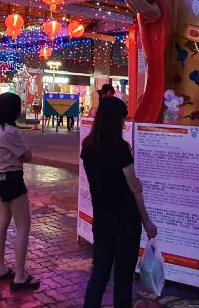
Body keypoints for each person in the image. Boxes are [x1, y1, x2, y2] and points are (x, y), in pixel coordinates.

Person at [81, 96, 157, 308]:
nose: (124, 123)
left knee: (100, 273)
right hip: (126, 221)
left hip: (102, 219)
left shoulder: (88, 147)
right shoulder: (120, 149)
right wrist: (147, 222)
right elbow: (134, 188)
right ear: (115, 121)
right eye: (122, 119)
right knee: (123, 278)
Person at [0, 93, 39, 291]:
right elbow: (28, 156)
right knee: (23, 225)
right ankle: (19, 275)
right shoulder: (10, 131)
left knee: (2, 223)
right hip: (12, 180)